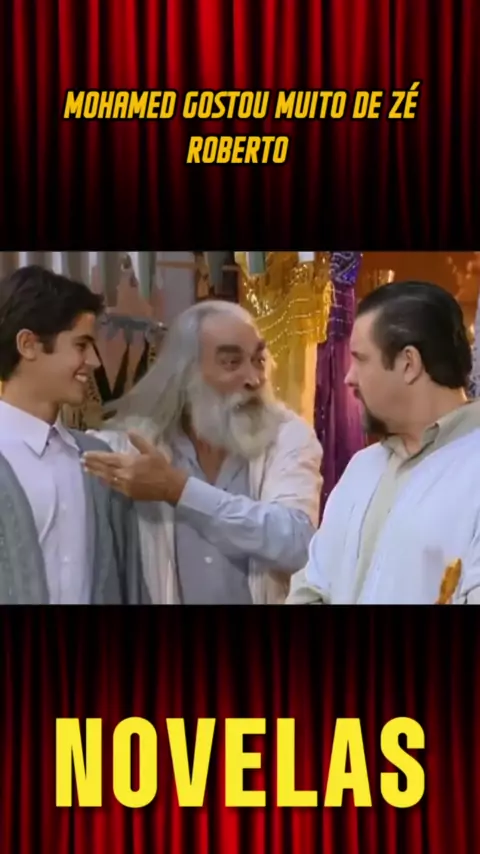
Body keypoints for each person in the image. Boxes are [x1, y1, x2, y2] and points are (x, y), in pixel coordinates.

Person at [82, 300, 323, 604]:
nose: (254, 379)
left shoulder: (287, 435)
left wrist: (179, 490)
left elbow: (298, 544)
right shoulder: (134, 445)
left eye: (259, 360)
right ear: (187, 372)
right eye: (231, 362)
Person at [286, 280, 480, 605]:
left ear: (408, 364)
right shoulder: (362, 467)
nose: (349, 377)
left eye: (360, 359)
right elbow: (313, 586)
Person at [0, 265, 148, 604]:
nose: (93, 361)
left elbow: (129, 583)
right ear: (28, 345)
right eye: (81, 345)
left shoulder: (99, 461)